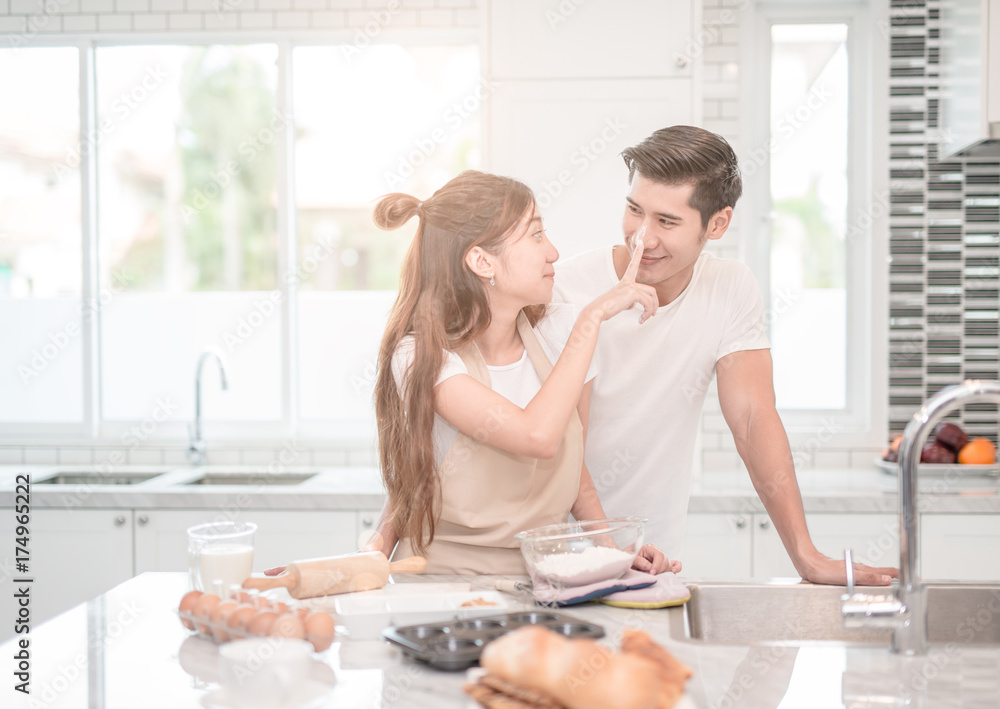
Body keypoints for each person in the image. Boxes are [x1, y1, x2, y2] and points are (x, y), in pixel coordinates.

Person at [552, 126, 898, 586]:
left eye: (667, 222)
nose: (643, 238)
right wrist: (602, 547)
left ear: (717, 224)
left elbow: (753, 418)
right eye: (635, 211)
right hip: (559, 556)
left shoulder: (730, 287)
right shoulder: (568, 289)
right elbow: (558, 439)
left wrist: (806, 556)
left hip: (654, 560)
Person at [366, 169, 671, 575]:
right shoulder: (421, 355)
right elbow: (536, 436)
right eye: (536, 235)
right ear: (481, 260)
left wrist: (615, 556)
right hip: (438, 586)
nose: (553, 253)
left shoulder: (561, 332)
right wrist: (593, 315)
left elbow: (573, 470)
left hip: (541, 580)